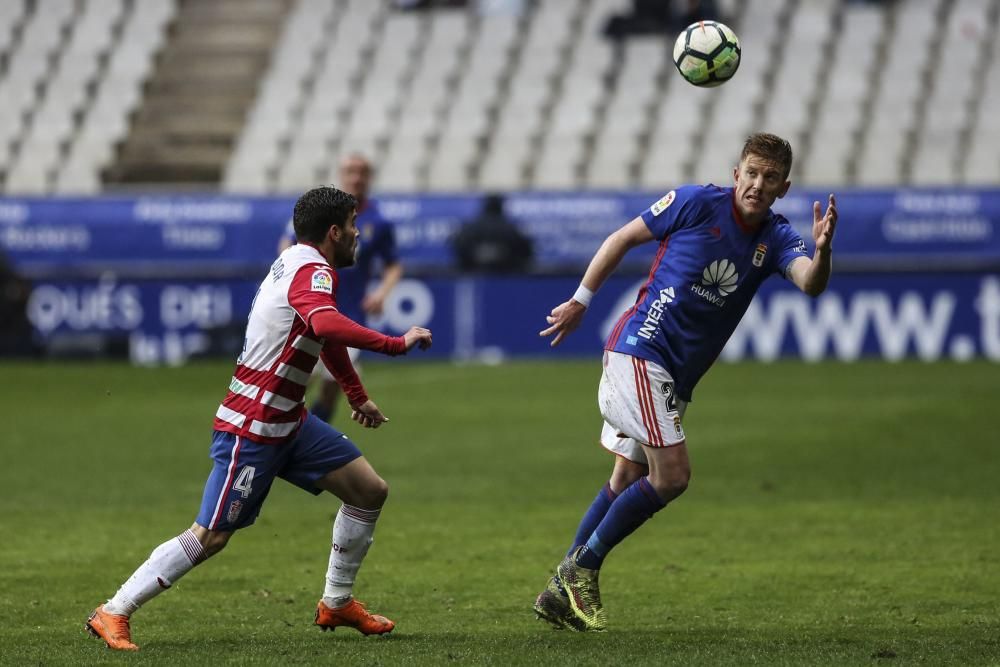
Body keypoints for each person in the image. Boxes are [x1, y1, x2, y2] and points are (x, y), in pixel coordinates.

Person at [86, 186, 433, 651]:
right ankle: (114, 610)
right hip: (254, 426)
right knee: (210, 536)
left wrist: (356, 394)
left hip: (290, 420)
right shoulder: (313, 270)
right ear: (334, 232)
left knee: (368, 491)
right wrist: (395, 343)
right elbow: (328, 327)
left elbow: (321, 335)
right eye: (352, 227)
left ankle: (336, 601)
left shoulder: (299, 261)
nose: (357, 235)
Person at [532, 133, 838, 632]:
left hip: (671, 378)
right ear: (736, 173)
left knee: (627, 479)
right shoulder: (696, 201)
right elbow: (621, 238)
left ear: (783, 187)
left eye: (769, 179)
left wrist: (823, 251)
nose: (757, 185)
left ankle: (557, 591)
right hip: (639, 354)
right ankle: (581, 569)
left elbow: (810, 282)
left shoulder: (778, 237)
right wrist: (581, 300)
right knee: (672, 475)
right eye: (751, 174)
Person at [279, 153, 404, 424]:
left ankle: (306, 440)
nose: (356, 178)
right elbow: (287, 246)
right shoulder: (319, 212)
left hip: (348, 314)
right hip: (310, 312)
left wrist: (382, 293)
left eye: (362, 172)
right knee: (297, 380)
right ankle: (279, 434)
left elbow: (394, 265)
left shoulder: (379, 221)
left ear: (369, 178)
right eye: (351, 171)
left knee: (331, 387)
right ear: (341, 174)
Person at [451, 192, 534, 273]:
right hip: (505, 274)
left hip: (476, 272)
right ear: (501, 206)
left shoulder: (471, 226)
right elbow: (526, 250)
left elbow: (458, 245)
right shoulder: (510, 227)